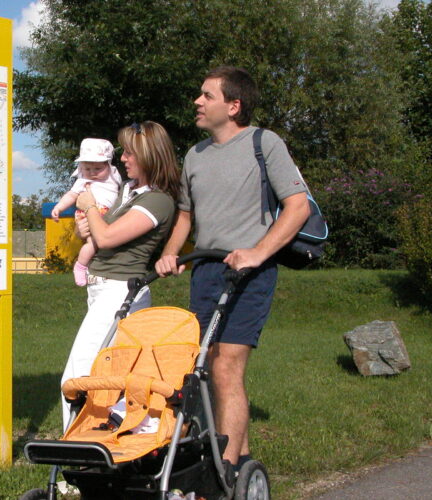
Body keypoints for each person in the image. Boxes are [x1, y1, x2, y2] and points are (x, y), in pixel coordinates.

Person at [155, 66, 311, 472]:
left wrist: (258, 252)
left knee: (226, 366)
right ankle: (240, 465)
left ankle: (220, 473)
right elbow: (186, 215)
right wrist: (171, 252)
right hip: (205, 271)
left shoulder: (264, 143)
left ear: (234, 105)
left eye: (207, 95)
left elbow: (297, 207)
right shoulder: (195, 154)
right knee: (206, 367)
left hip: (249, 272)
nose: (198, 102)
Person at [60, 121, 181, 429]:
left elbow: (107, 238)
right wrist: (83, 227)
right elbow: (97, 232)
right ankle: (107, 442)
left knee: (78, 376)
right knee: (108, 377)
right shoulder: (127, 191)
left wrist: (88, 207)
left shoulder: (157, 200)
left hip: (120, 291)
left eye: (129, 153)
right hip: (102, 289)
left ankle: (75, 449)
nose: (123, 159)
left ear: (149, 156)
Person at [51, 138, 122, 286]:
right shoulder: (83, 181)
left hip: (108, 214)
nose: (92, 173)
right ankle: (81, 265)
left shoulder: (113, 175)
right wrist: (59, 207)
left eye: (98, 169)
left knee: (109, 241)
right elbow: (71, 195)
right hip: (89, 214)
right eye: (87, 169)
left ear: (108, 165)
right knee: (93, 243)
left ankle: (97, 266)